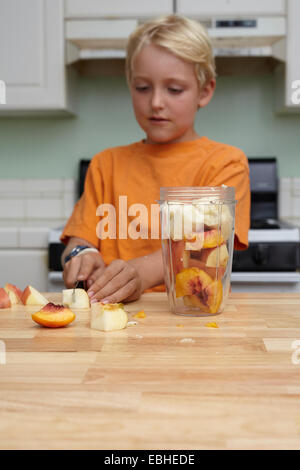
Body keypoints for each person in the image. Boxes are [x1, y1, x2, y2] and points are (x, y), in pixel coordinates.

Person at [60, 15, 250, 305]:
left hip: (190, 319)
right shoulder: (105, 165)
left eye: (174, 89)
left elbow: (205, 248)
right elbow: (79, 240)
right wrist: (81, 256)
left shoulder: (225, 163)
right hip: (112, 321)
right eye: (142, 88)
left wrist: (139, 274)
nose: (156, 102)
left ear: (205, 91)